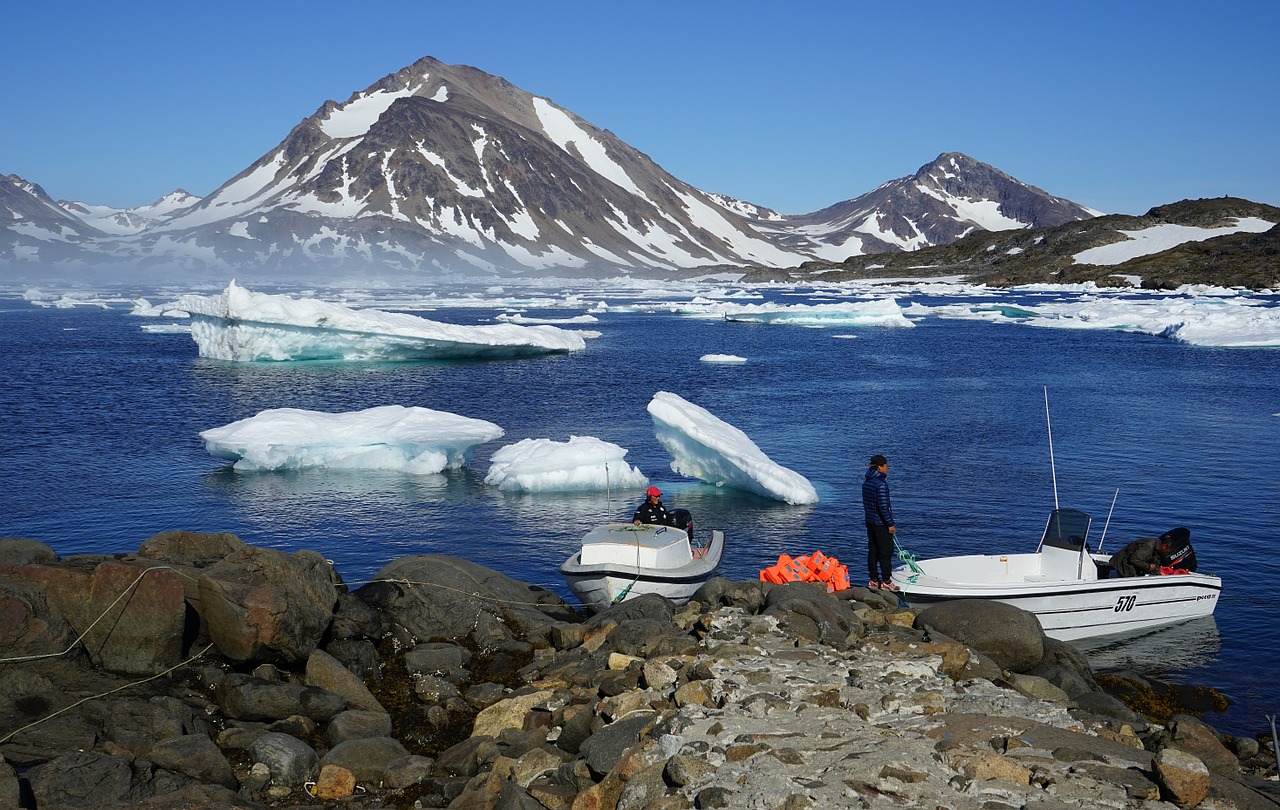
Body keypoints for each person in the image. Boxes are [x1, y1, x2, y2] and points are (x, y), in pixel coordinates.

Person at [861, 454, 898, 591]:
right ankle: (887, 580)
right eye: (886, 466)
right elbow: (883, 507)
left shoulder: (867, 483)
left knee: (873, 550)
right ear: (880, 467)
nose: (887, 469)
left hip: (870, 521)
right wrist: (890, 524)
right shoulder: (881, 484)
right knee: (886, 552)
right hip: (881, 523)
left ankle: (873, 579)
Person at [1109, 528, 1198, 576]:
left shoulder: (1157, 551)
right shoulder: (1148, 546)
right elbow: (1134, 559)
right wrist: (1148, 567)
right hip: (1122, 564)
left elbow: (1154, 566)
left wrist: (1160, 575)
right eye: (1167, 550)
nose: (1167, 553)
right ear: (1164, 546)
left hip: (1130, 565)